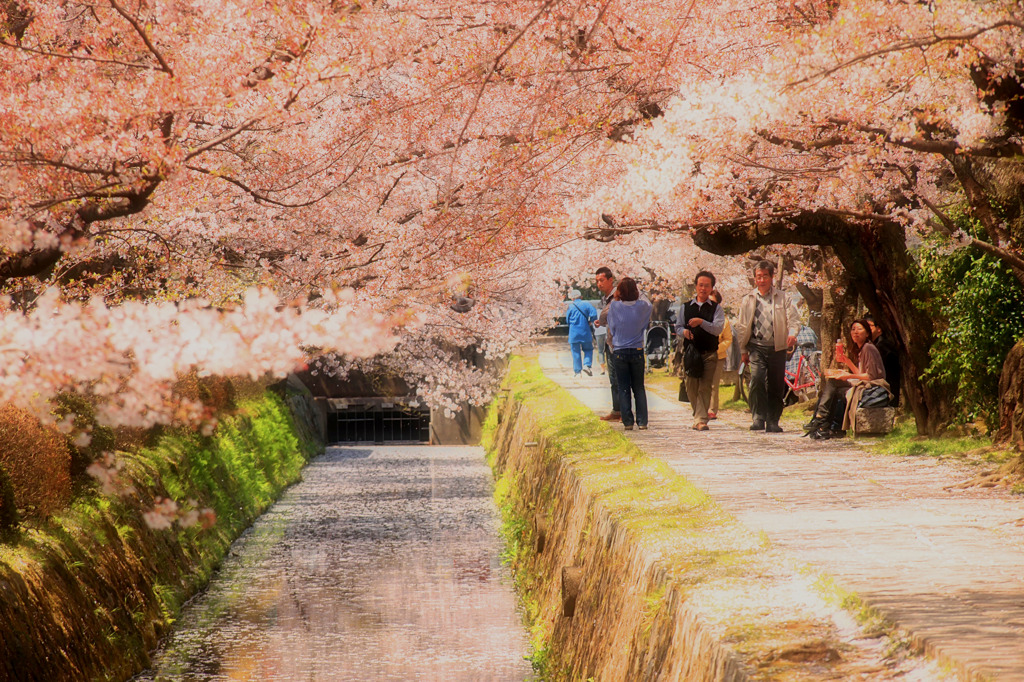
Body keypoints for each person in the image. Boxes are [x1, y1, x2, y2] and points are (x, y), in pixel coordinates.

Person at [735, 260, 800, 433]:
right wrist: (743, 350)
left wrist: (792, 333)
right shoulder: (748, 299)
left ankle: (773, 420)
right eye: (758, 277)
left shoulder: (783, 298)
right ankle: (758, 417)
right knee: (756, 379)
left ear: (772, 277)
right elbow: (741, 327)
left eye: (765, 276)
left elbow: (793, 319)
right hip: (756, 345)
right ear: (754, 278)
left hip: (777, 346)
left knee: (776, 384)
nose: (762, 280)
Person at [805, 319, 888, 440]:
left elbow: (871, 376)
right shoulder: (862, 349)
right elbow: (861, 373)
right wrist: (846, 361)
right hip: (866, 386)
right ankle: (825, 426)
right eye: (853, 329)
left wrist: (847, 376)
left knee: (833, 384)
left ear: (867, 333)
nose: (855, 332)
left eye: (859, 329)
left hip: (873, 390)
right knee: (833, 387)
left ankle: (820, 420)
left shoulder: (869, 348)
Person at [677, 272, 724, 431]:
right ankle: (698, 415)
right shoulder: (685, 307)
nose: (703, 288)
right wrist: (683, 332)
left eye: (707, 286)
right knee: (691, 385)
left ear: (712, 288)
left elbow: (717, 329)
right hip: (691, 353)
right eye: (700, 285)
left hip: (709, 352)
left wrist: (701, 322)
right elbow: (678, 327)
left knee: (705, 386)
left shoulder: (716, 309)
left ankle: (701, 419)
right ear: (696, 286)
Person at [607, 277, 653, 431]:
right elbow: (649, 305)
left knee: (623, 387)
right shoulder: (642, 306)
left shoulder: (615, 306)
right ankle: (642, 422)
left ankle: (627, 422)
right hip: (637, 350)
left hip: (620, 350)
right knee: (639, 387)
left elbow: (612, 327)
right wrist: (639, 294)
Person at [594, 266, 621, 421]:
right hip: (609, 340)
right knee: (613, 379)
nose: (599, 284)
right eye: (597, 281)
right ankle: (616, 410)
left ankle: (623, 411)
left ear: (611, 280)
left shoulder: (617, 296)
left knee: (619, 378)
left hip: (618, 342)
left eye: (602, 280)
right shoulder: (605, 298)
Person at [864, 314, 901, 407]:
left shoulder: (883, 347)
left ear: (879, 329)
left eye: (869, 326)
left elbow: (874, 374)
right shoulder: (873, 345)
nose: (865, 329)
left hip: (883, 393)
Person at [707, 289, 732, 420]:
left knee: (713, 384)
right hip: (701, 354)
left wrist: (716, 349)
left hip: (717, 356)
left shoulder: (724, 320)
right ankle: (700, 408)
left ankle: (711, 409)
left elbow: (728, 339)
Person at [565, 289, 597, 377]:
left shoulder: (570, 307)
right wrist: (591, 321)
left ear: (572, 298)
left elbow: (567, 320)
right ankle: (587, 365)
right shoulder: (586, 304)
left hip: (573, 333)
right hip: (585, 331)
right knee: (588, 349)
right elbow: (594, 313)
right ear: (581, 297)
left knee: (575, 352)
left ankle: (577, 372)